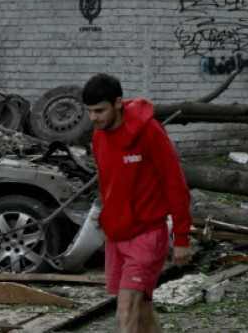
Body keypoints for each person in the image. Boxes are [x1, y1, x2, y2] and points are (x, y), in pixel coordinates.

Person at [82, 73, 193, 333]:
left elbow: (176, 185)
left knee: (125, 311)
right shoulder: (98, 136)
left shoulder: (149, 131)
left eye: (100, 111)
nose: (93, 118)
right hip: (117, 237)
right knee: (142, 312)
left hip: (147, 235)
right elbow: (110, 187)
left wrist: (181, 238)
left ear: (118, 103)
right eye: (89, 111)